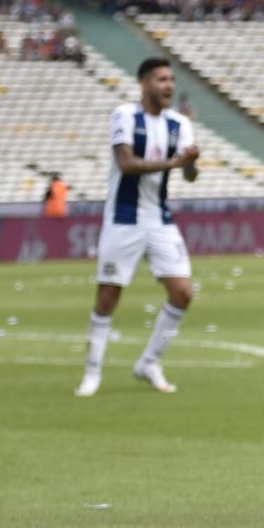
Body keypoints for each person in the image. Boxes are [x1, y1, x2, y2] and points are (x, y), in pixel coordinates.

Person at [75, 57, 200, 397]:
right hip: (123, 219)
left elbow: (189, 175)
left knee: (183, 292)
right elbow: (126, 163)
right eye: (161, 79)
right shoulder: (125, 115)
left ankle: (149, 361)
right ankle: (92, 371)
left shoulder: (179, 123)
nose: (169, 86)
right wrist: (177, 162)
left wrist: (191, 163)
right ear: (145, 83)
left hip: (159, 219)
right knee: (108, 296)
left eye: (171, 80)